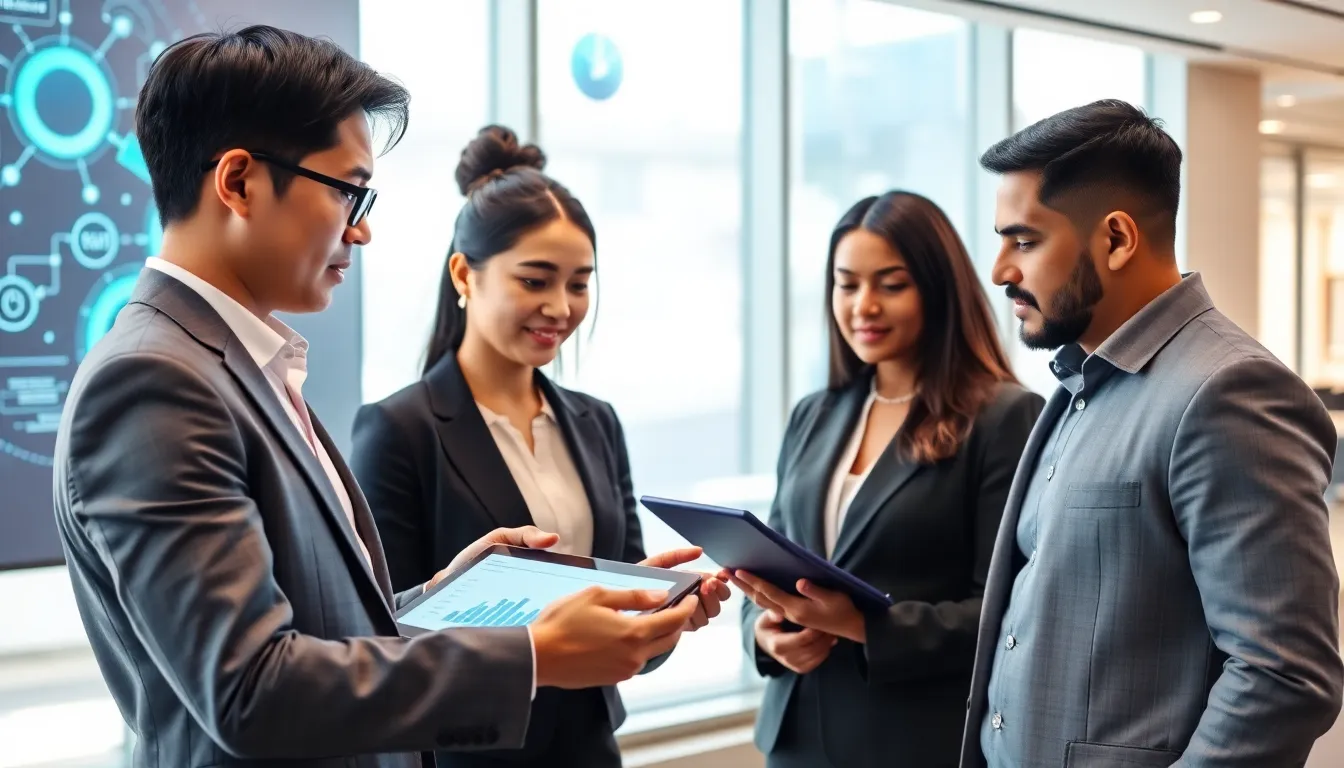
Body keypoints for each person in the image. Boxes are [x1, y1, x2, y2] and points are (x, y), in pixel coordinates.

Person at [51, 27, 700, 768]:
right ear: (238, 182)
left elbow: (317, 637)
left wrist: (441, 598)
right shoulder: (155, 381)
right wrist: (529, 656)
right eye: (348, 191)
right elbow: (251, 691)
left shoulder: (237, 364)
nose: (361, 229)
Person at [964, 99, 1343, 768]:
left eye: (1023, 240)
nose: (1000, 270)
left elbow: (1285, 674)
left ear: (1115, 238)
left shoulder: (1229, 391)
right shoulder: (1075, 386)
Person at [349, 125, 731, 768]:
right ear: (464, 274)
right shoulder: (399, 430)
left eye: (579, 284)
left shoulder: (595, 423)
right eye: (535, 280)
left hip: (588, 748)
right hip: (467, 755)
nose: (560, 307)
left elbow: (625, 628)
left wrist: (665, 612)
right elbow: (379, 639)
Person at [726, 191, 1043, 768]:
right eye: (847, 285)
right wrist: (764, 635)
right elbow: (768, 558)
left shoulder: (1003, 417)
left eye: (891, 285)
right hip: (797, 739)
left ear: (937, 290)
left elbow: (1011, 611)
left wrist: (863, 626)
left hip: (912, 741)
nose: (863, 305)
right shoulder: (815, 415)